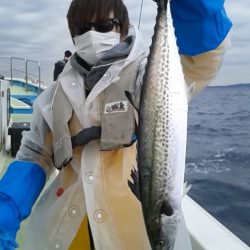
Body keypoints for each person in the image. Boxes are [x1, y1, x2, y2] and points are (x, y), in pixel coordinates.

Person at [0, 0, 232, 249]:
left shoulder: (145, 77)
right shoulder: (54, 95)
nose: (91, 34)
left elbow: (201, 59)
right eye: (81, 28)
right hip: (63, 232)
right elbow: (35, 155)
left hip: (134, 233)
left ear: (122, 28)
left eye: (103, 25)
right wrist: (6, 210)